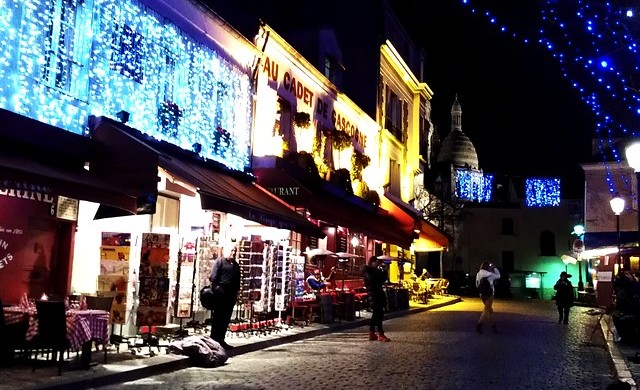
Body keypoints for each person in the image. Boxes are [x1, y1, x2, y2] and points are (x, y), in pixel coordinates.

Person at [209, 243, 240, 350]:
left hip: (230, 296)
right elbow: (213, 278)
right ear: (225, 251)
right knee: (218, 318)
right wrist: (218, 290)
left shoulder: (236, 265)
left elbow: (237, 282)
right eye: (232, 250)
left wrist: (236, 294)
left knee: (226, 319)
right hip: (220, 295)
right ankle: (214, 341)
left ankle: (221, 340)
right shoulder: (220, 262)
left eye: (235, 250)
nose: (234, 253)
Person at [363, 256, 390, 342]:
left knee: (376, 315)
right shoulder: (368, 271)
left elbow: (382, 279)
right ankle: (380, 334)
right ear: (371, 262)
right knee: (379, 315)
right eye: (375, 262)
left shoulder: (373, 271)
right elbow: (371, 280)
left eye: (377, 262)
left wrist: (385, 271)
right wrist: (378, 271)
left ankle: (372, 333)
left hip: (377, 294)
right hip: (374, 295)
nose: (376, 264)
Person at [475, 261, 501, 333]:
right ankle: (479, 325)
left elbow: (477, 285)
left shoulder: (478, 274)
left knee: (489, 310)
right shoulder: (490, 274)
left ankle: (493, 326)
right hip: (489, 294)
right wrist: (494, 268)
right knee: (486, 310)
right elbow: (499, 276)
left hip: (482, 294)